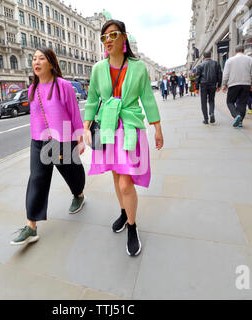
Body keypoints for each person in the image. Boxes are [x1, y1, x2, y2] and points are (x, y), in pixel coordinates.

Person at [83, 19, 164, 256]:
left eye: (112, 35)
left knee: (126, 181)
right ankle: (123, 211)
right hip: (108, 125)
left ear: (124, 38)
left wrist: (157, 128)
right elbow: (91, 100)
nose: (107, 40)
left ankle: (132, 226)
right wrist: (86, 127)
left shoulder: (137, 67)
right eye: (104, 37)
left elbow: (148, 98)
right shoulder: (98, 69)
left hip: (130, 125)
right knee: (117, 175)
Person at [10, 47, 86, 246]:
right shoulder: (32, 89)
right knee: (37, 179)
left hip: (63, 140)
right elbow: (35, 117)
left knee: (72, 173)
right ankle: (31, 226)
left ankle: (78, 194)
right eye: (34, 59)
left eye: (41, 58)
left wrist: (80, 138)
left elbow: (74, 113)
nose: (36, 62)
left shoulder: (63, 86)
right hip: (40, 142)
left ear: (51, 63)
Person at [222, 45, 252, 128]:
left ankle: (236, 115)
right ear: (243, 51)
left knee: (230, 101)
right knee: (242, 103)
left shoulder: (229, 60)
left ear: (235, 51)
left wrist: (224, 84)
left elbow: (226, 74)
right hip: (246, 84)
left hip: (233, 84)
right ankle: (240, 122)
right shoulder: (250, 59)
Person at [195, 51, 222, 124]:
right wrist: (219, 85)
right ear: (210, 55)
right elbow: (219, 75)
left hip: (203, 85)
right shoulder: (216, 63)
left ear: (203, 57)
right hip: (213, 84)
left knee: (203, 102)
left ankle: (206, 119)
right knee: (211, 100)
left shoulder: (200, 65)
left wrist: (196, 88)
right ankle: (212, 113)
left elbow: (197, 77)